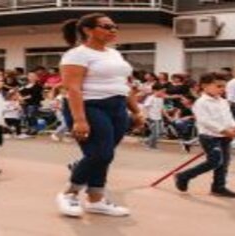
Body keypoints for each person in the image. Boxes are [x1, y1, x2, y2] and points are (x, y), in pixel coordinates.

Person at [56, 13, 144, 217]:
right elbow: (73, 89)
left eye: (115, 26)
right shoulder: (76, 54)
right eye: (106, 26)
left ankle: (96, 199)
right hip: (90, 106)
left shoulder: (114, 54)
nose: (113, 30)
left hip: (117, 106)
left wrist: (136, 110)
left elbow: (124, 84)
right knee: (101, 154)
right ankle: (69, 194)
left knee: (104, 156)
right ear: (88, 30)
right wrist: (79, 120)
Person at [175, 72, 235, 198]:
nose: (222, 89)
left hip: (224, 136)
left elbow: (229, 117)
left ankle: (218, 187)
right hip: (209, 137)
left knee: (224, 163)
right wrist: (224, 130)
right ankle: (183, 176)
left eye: (223, 87)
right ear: (205, 86)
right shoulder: (201, 102)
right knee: (215, 161)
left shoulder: (223, 101)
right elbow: (205, 121)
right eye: (218, 86)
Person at [143, 84, 166, 149]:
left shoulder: (161, 99)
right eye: (161, 91)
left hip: (159, 118)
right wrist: (147, 117)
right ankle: (151, 146)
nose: (163, 93)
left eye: (164, 92)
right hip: (152, 117)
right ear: (155, 90)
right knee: (155, 133)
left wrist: (167, 117)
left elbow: (162, 109)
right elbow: (145, 108)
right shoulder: (151, 98)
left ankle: (148, 141)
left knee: (161, 132)